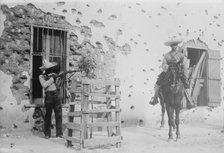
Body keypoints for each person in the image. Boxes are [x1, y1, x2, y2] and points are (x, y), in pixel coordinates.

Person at [150, 38, 189, 105]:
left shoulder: (181, 55)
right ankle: (155, 98)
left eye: (175, 45)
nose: (174, 47)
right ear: (170, 46)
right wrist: (166, 66)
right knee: (157, 83)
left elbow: (184, 65)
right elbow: (163, 63)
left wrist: (183, 71)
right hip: (168, 70)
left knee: (185, 83)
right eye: (172, 45)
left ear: (177, 46)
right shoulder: (166, 55)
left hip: (178, 71)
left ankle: (189, 100)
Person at [39, 60, 63, 139]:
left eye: (50, 68)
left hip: (56, 94)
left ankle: (59, 134)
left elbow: (58, 85)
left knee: (58, 115)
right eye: (47, 69)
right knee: (48, 115)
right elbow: (44, 85)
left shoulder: (54, 75)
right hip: (48, 95)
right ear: (44, 70)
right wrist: (52, 79)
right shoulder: (41, 76)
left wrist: (59, 78)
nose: (49, 70)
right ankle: (47, 133)